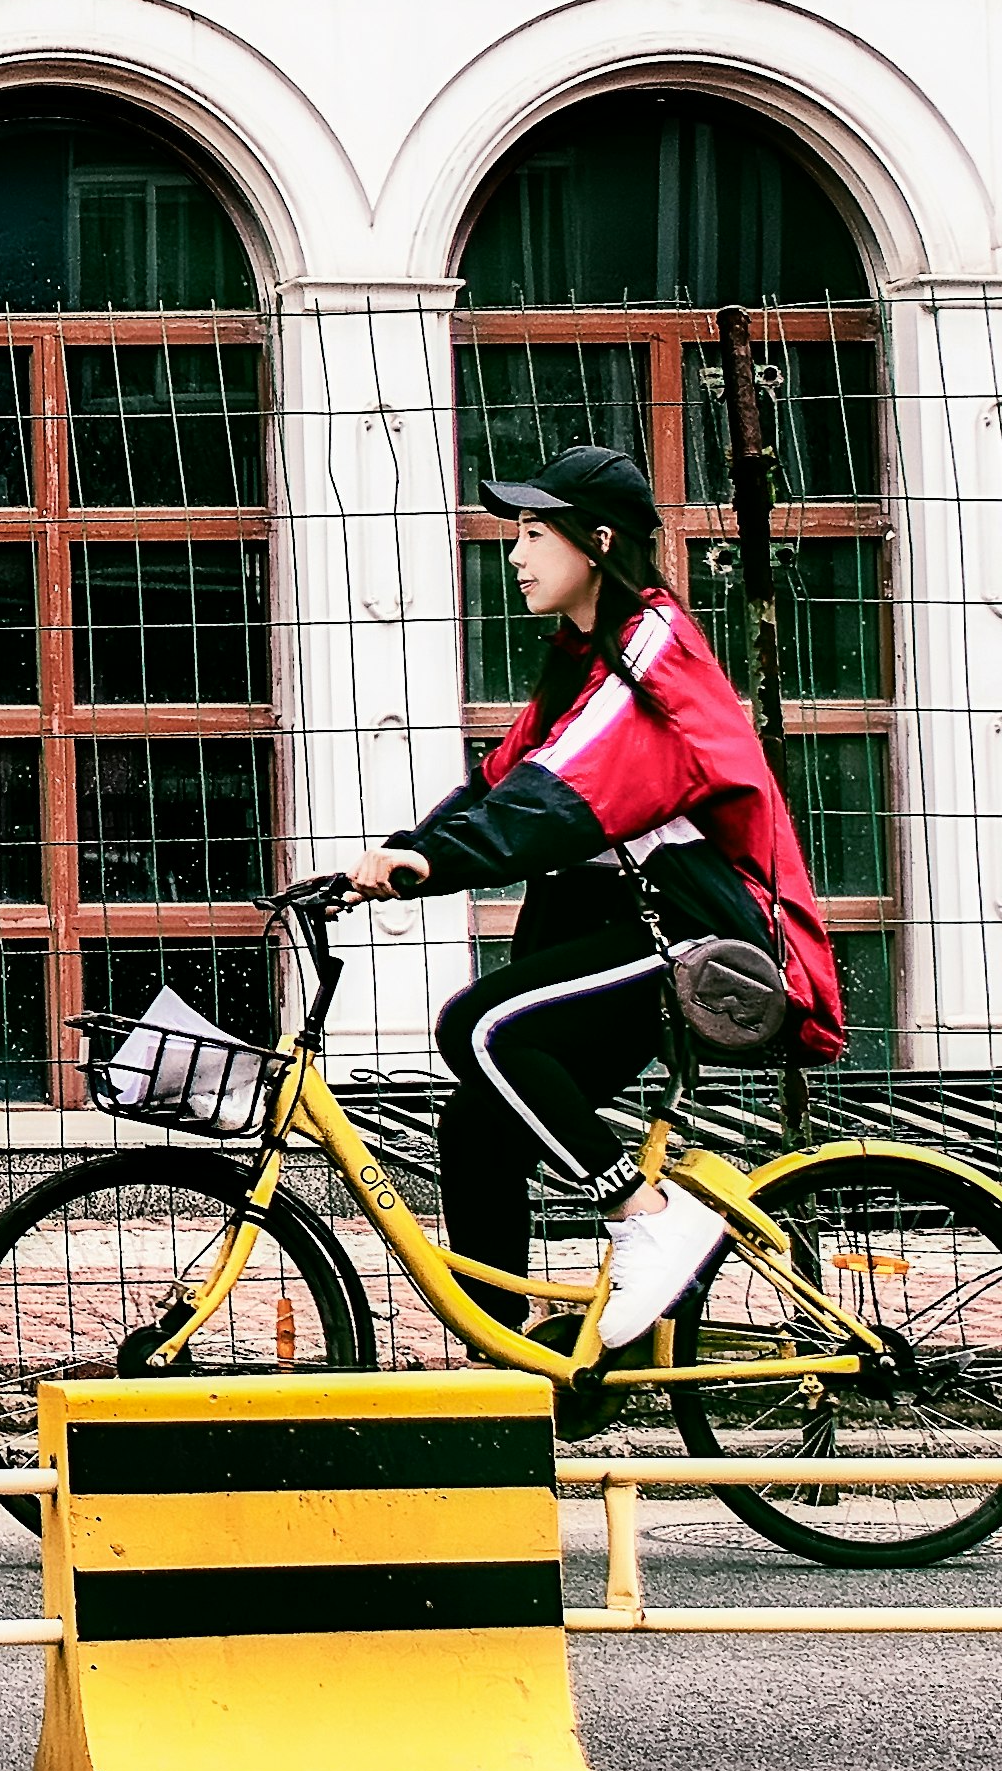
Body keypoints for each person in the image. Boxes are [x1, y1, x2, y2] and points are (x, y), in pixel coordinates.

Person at [356, 442, 852, 1384]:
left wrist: (433, 862)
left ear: (599, 541)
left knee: (478, 1026)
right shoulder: (585, 660)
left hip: (706, 936)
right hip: (636, 930)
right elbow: (503, 782)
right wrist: (395, 855)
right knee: (476, 1124)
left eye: (536, 534)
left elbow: (561, 790)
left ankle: (647, 1217)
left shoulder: (650, 651)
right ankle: (510, 1375)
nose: (516, 556)